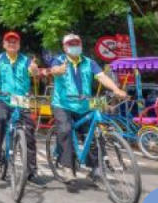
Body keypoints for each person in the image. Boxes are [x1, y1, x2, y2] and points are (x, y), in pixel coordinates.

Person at [48, 33, 128, 184]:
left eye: (76, 43)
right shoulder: (59, 60)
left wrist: (116, 90)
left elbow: (102, 77)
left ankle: (96, 168)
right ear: (65, 47)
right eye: (71, 44)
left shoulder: (89, 62)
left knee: (94, 132)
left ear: (81, 45)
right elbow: (54, 69)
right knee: (65, 129)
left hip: (84, 104)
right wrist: (57, 71)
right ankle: (67, 167)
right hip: (63, 104)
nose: (74, 47)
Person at [0, 31, 45, 186]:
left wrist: (34, 69)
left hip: (21, 100)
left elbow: (34, 73)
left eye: (15, 42)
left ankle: (32, 172)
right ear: (4, 44)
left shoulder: (26, 60)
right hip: (2, 98)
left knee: (29, 133)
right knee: (0, 119)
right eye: (9, 42)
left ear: (19, 45)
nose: (12, 44)